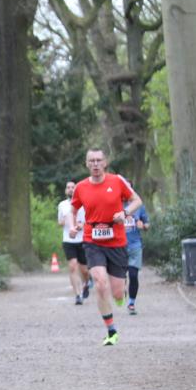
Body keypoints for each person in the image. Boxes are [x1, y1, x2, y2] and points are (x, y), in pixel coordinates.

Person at [69, 148, 143, 346]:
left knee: (117, 292)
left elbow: (137, 200)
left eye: (98, 160)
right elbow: (73, 209)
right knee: (100, 283)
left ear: (105, 162)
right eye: (91, 161)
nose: (95, 164)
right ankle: (111, 330)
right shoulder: (81, 187)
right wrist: (74, 225)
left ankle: (121, 295)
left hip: (117, 241)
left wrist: (125, 213)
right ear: (86, 164)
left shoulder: (117, 181)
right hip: (92, 240)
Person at [57, 181, 89, 305]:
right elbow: (59, 222)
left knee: (85, 270)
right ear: (66, 191)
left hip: (82, 239)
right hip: (68, 240)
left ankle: (86, 283)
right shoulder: (62, 205)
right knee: (72, 266)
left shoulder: (84, 203)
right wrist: (65, 221)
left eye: (72, 187)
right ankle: (78, 294)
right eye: (68, 187)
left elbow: (90, 220)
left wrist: (82, 225)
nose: (70, 189)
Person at [124, 203, 150, 314]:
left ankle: (131, 303)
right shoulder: (114, 203)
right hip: (118, 246)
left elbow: (147, 224)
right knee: (119, 278)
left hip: (135, 245)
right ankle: (120, 292)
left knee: (133, 275)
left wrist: (143, 226)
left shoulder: (138, 205)